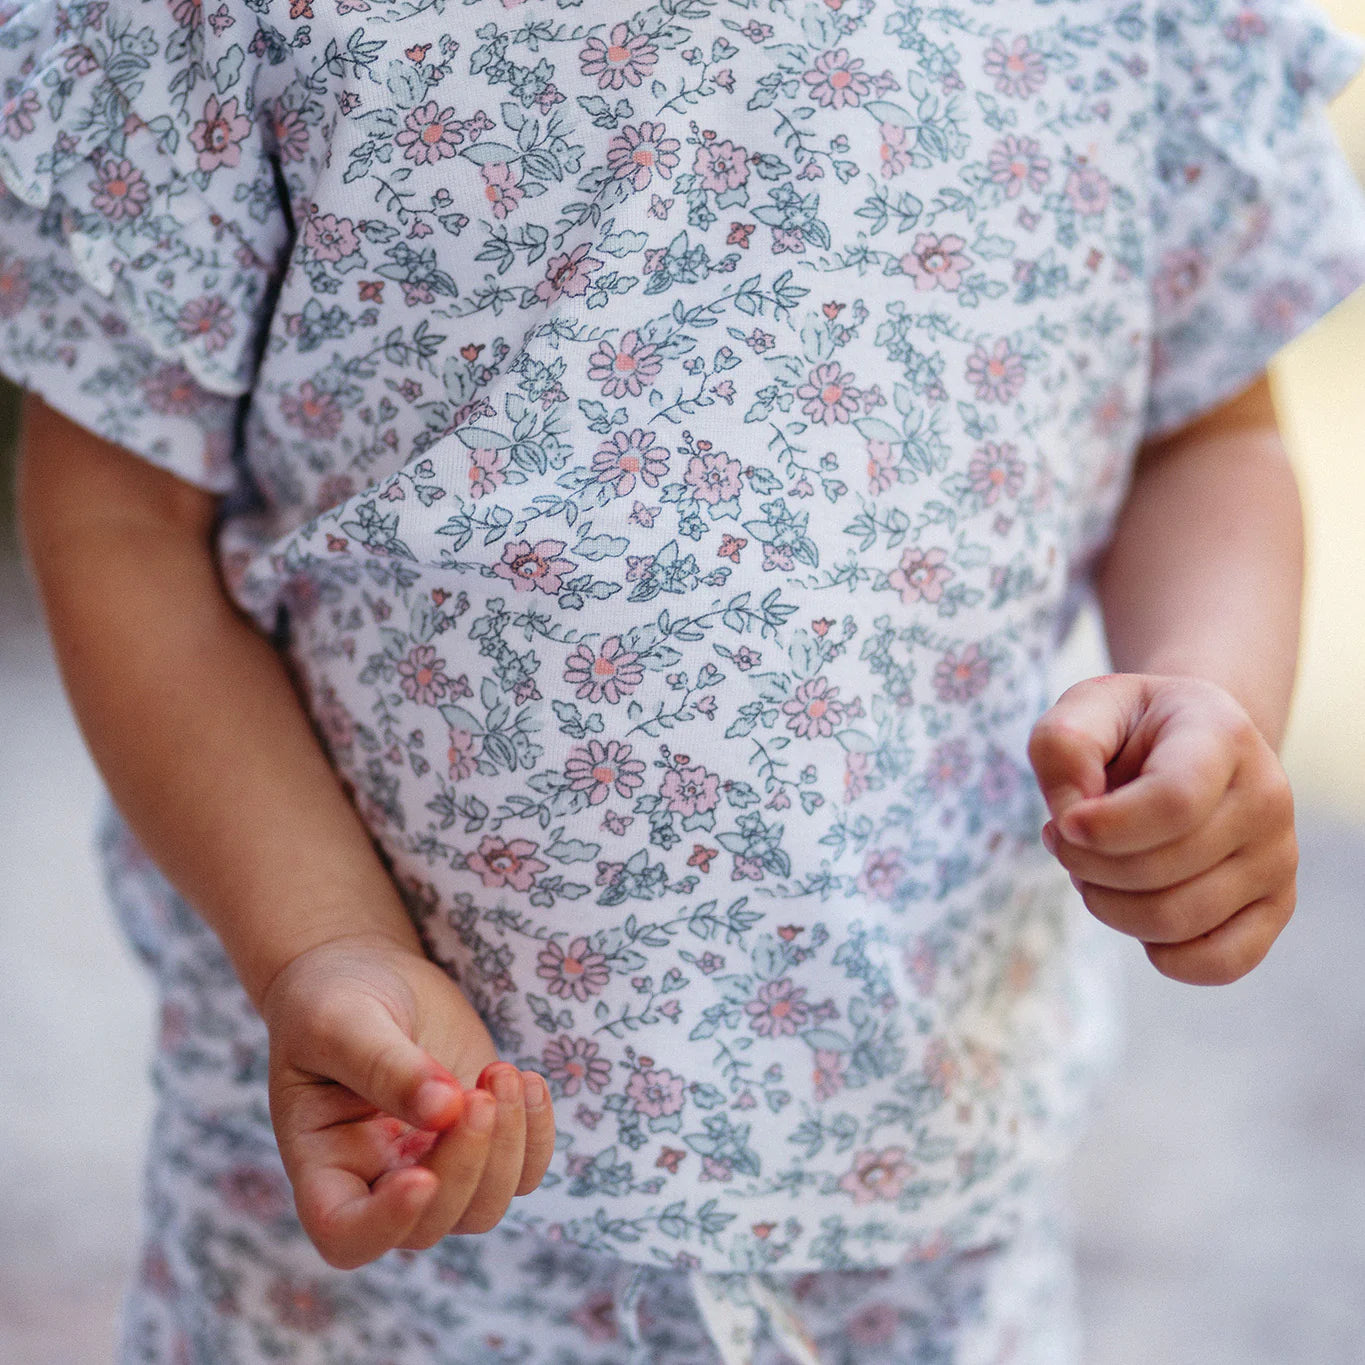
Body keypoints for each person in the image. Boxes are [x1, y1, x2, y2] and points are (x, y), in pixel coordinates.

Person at [7, 0, 1363, 1358]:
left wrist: (1204, 692)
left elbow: (1202, 430)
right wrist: (321, 934)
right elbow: (127, 520)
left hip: (912, 1185)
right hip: (391, 1189)